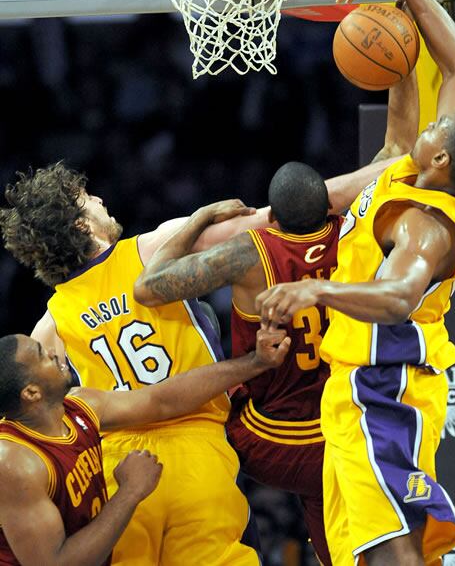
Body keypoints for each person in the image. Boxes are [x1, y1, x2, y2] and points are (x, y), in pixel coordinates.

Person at [0, 166, 391, 566]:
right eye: (89, 200)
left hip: (121, 470)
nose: (101, 200)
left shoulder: (47, 329)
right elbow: (297, 206)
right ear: (84, 226)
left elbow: (34, 426)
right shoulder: (155, 248)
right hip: (199, 444)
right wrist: (400, 166)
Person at [132, 57, 421, 563]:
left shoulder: (250, 252)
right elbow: (397, 149)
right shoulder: (357, 228)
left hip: (275, 443)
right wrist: (402, 62)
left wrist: (201, 216)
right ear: (326, 207)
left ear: (273, 215)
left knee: (212, 415)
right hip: (346, 424)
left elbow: (149, 288)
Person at [255, 0, 455, 566]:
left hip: (382, 386)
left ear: (441, 162)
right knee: (361, 553)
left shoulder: (425, 226)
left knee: (389, 554)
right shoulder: (442, 165)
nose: (434, 123)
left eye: (436, 128)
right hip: (360, 384)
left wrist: (318, 293)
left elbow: (395, 300)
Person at [0, 328, 289, 566]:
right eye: (42, 355)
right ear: (31, 393)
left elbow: (160, 400)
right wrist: (130, 492)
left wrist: (254, 363)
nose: (53, 351)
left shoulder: (79, 405)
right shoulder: (14, 463)